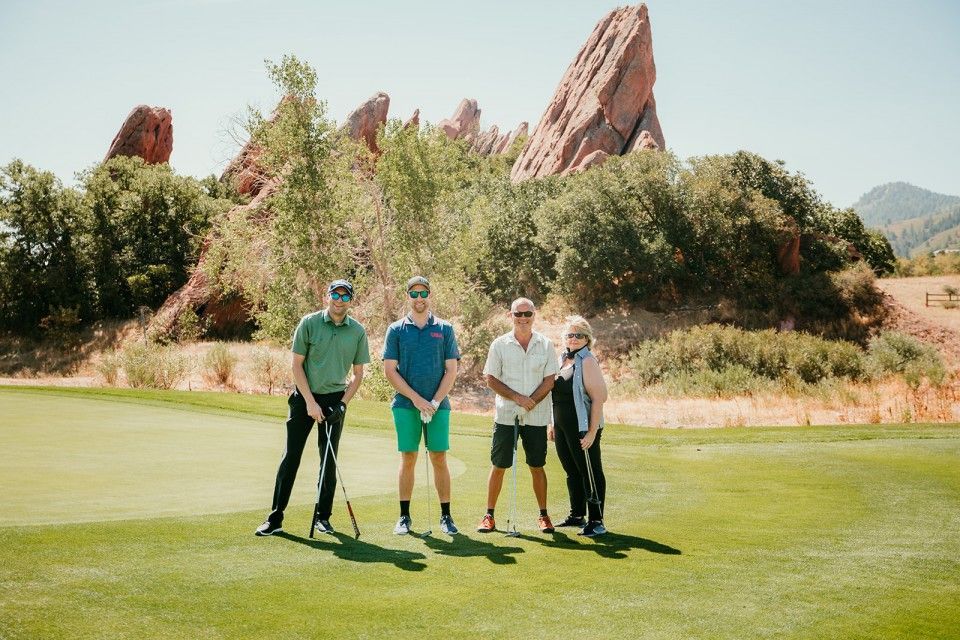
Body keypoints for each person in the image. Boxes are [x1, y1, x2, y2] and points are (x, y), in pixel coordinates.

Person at [255, 279, 370, 536]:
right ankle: (275, 517)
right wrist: (309, 402)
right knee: (291, 457)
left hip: (335, 400)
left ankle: (323, 517)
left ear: (351, 301)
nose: (339, 300)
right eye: (335, 295)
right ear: (327, 296)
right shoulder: (309, 323)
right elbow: (296, 365)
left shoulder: (357, 332)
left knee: (328, 461)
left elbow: (358, 374)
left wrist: (342, 405)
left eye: (345, 296)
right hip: (303, 397)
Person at [383, 276, 461, 535]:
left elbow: (451, 370)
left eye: (423, 293)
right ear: (408, 296)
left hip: (439, 406)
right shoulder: (396, 329)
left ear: (429, 295)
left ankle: (446, 517)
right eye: (414, 294)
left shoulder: (445, 328)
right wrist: (418, 400)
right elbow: (390, 371)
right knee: (409, 458)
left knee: (439, 457)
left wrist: (435, 402)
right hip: (406, 405)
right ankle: (404, 517)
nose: (419, 298)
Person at [477, 298, 559, 534]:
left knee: (537, 465)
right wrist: (517, 398)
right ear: (510, 315)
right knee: (499, 465)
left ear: (534, 315)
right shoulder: (499, 344)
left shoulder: (545, 345)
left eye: (527, 314)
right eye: (518, 314)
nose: (523, 318)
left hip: (536, 416)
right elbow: (491, 379)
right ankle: (489, 516)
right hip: (506, 416)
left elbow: (549, 380)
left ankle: (543, 515)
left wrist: (530, 401)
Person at [548, 316, 608, 537]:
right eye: (570, 335)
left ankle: (596, 520)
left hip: (583, 426)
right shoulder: (563, 359)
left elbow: (600, 397)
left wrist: (592, 432)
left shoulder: (588, 361)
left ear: (587, 339)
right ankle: (576, 514)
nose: (573, 339)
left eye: (579, 335)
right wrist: (552, 424)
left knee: (589, 471)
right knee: (571, 470)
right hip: (562, 426)